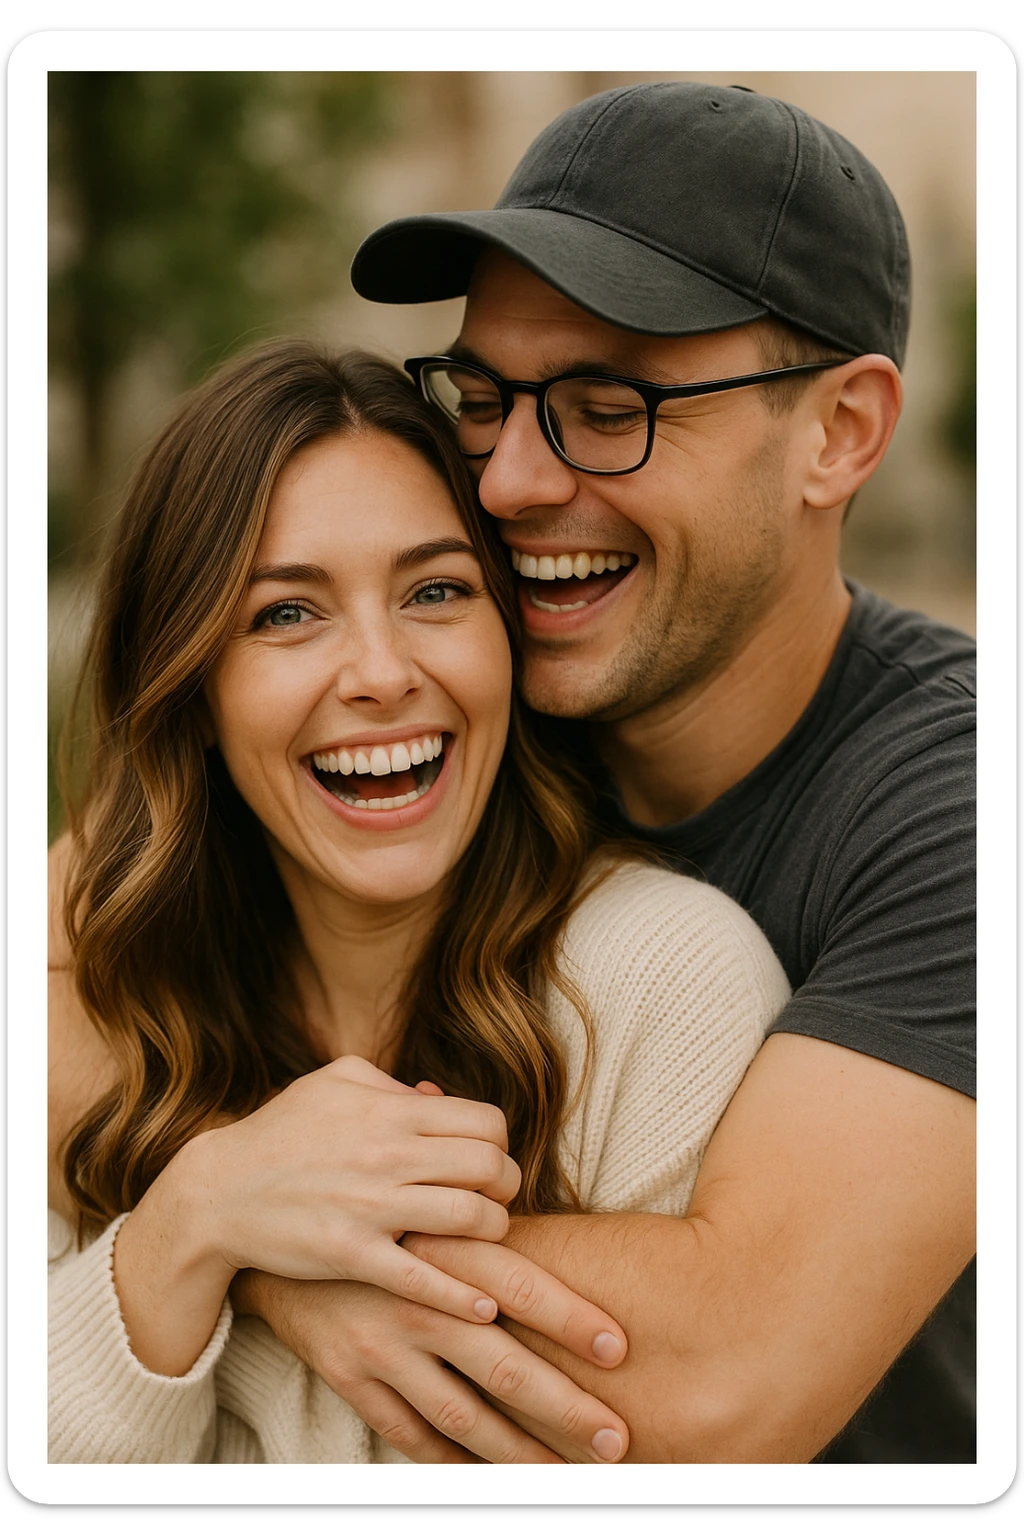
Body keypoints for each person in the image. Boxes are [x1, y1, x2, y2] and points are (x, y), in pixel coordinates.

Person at [218, 81, 976, 1464]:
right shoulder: (432, 706)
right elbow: (74, 972)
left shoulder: (964, 807)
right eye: (486, 397)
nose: (507, 480)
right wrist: (213, 1202)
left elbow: (722, 1372)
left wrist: (260, 1249)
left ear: (841, 434)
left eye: (606, 404)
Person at [48, 340, 791, 1463]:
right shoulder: (105, 998)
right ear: (192, 687)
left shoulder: (657, 982)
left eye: (437, 591)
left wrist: (249, 1271)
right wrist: (190, 1222)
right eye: (287, 615)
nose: (382, 671)